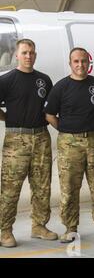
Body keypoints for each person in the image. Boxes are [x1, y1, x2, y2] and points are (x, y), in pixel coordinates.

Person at [45, 47, 94, 242]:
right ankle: (70, 228)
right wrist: (69, 130)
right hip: (69, 143)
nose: (80, 65)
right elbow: (50, 115)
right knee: (69, 188)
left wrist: (89, 128)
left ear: (88, 63)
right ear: (70, 64)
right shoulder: (61, 87)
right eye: (76, 61)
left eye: (84, 61)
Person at [0, 39, 57, 248]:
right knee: (10, 188)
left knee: (42, 185)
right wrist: (7, 118)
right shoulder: (6, 80)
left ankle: (39, 226)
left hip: (41, 136)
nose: (28, 56)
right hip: (17, 139)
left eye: (32, 52)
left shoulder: (44, 80)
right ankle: (5, 230)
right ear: (17, 55)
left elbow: (50, 107)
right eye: (24, 52)